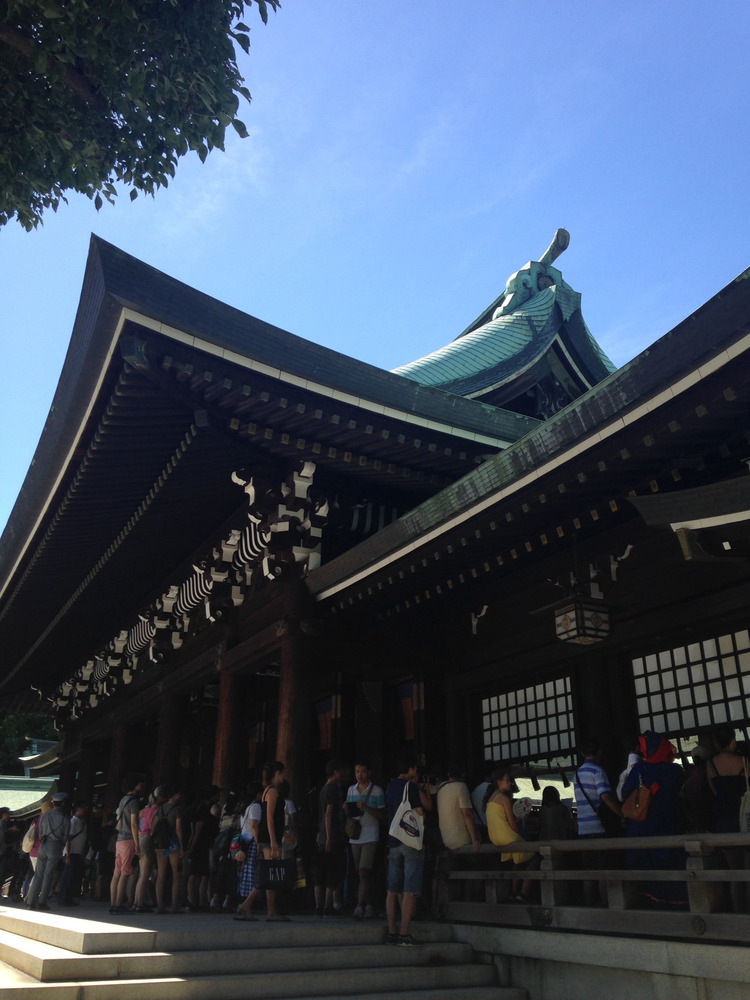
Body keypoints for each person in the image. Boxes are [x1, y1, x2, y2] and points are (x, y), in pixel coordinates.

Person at [620, 730, 686, 910]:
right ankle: (676, 903)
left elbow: (625, 792)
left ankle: (647, 905)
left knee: (645, 866)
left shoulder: (641, 769)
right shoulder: (676, 771)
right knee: (670, 864)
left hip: (643, 825)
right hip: (669, 822)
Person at [385, 753, 432, 946]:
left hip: (393, 840)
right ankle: (404, 933)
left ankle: (391, 932)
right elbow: (424, 809)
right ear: (411, 769)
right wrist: (425, 790)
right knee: (410, 889)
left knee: (392, 889)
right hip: (410, 841)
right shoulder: (411, 787)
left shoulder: (389, 786)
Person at [235, 762, 288, 922]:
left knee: (269, 874)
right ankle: (247, 904)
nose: (284, 776)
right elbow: (270, 817)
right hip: (269, 838)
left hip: (269, 836)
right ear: (277, 773)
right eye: (283, 773)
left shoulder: (268, 791)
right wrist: (273, 841)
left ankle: (270, 911)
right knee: (267, 874)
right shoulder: (272, 792)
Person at [706, 724, 749, 912]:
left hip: (724, 819)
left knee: (734, 872)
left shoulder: (711, 764)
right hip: (745, 818)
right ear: (732, 741)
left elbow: (714, 791)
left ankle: (739, 912)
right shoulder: (744, 762)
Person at [574, 740, 622, 906]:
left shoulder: (577, 774)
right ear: (599, 752)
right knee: (603, 871)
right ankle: (605, 905)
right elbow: (605, 797)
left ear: (582, 754)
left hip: (583, 830)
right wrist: (621, 814)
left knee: (588, 872)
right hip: (598, 827)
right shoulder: (598, 771)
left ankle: (589, 905)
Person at [484, 768, 533, 901]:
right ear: (499, 782)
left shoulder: (491, 799)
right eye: (507, 780)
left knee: (517, 863)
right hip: (507, 837)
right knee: (532, 857)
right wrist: (520, 834)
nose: (510, 783)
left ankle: (512, 892)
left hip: (494, 838)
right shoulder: (504, 798)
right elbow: (511, 824)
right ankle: (523, 892)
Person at [345, 760, 385, 919]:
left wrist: (366, 808)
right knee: (361, 873)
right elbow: (351, 815)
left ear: (369, 773)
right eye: (356, 772)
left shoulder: (377, 791)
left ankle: (359, 906)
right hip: (355, 835)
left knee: (363, 871)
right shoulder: (351, 790)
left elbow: (383, 815)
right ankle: (368, 904)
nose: (359, 775)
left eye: (362, 771)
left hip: (370, 834)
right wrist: (347, 809)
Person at [312, 760, 347, 917]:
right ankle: (327, 905)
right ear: (335, 772)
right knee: (332, 870)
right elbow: (328, 813)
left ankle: (318, 906)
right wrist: (329, 838)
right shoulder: (333, 788)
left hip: (320, 834)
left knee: (319, 871)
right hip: (330, 835)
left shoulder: (323, 789)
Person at [27, 792, 70, 910]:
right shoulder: (65, 818)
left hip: (43, 844)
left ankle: (31, 901)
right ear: (63, 804)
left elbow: (40, 831)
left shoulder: (44, 816)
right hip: (55, 846)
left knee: (38, 874)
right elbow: (66, 836)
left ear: (53, 803)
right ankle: (42, 902)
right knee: (48, 875)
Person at [110, 772, 144, 914]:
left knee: (117, 873)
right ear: (135, 785)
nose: (141, 785)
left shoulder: (123, 800)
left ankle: (113, 903)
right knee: (125, 872)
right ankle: (119, 904)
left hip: (119, 839)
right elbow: (134, 823)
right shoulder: (134, 802)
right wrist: (137, 843)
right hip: (129, 839)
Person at [436, 764, 480, 853]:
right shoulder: (461, 786)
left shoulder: (441, 787)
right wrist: (474, 840)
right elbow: (467, 814)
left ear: (448, 774)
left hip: (446, 839)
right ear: (463, 775)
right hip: (460, 839)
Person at [153, 786, 184, 914]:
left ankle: (160, 905)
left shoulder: (160, 809)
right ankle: (174, 905)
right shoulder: (177, 809)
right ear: (175, 795)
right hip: (172, 843)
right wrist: (182, 845)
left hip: (161, 844)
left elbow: (153, 825)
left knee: (161, 875)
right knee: (176, 874)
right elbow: (178, 829)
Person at [234, 783, 262, 919]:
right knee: (253, 874)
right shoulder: (255, 806)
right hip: (251, 842)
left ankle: (245, 905)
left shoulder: (244, 807)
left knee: (245, 874)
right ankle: (247, 905)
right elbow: (254, 825)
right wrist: (258, 843)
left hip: (242, 843)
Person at [57, 800, 88, 906]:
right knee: (68, 876)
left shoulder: (81, 821)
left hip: (77, 852)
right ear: (78, 809)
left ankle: (68, 897)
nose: (85, 810)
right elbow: (68, 839)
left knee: (72, 876)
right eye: (83, 808)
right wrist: (68, 854)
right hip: (72, 853)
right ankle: (64, 898)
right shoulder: (73, 822)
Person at [133, 792, 158, 912]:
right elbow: (152, 828)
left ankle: (136, 902)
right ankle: (140, 904)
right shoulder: (155, 810)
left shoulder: (143, 811)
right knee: (145, 875)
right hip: (148, 838)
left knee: (141, 875)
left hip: (140, 837)